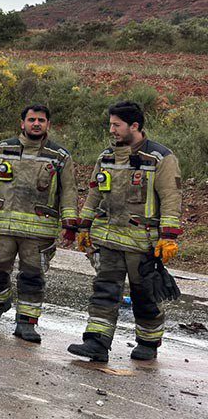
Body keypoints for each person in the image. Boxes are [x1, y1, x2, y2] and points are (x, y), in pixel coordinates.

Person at [68, 101, 183, 362]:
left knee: (145, 294)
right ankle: (96, 342)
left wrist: (168, 236)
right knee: (104, 290)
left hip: (142, 242)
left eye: (116, 125)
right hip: (108, 239)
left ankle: (148, 342)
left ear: (135, 126)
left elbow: (171, 197)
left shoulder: (160, 158)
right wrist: (84, 226)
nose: (112, 130)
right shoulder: (106, 157)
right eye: (110, 124)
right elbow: (94, 194)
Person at [0, 104, 77, 343]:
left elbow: (69, 191)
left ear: (48, 125)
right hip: (2, 226)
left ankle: (26, 323)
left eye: (41, 120)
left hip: (39, 230)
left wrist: (70, 224)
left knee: (32, 277)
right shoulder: (2, 149)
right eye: (32, 120)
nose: (36, 124)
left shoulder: (60, 156)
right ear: (23, 123)